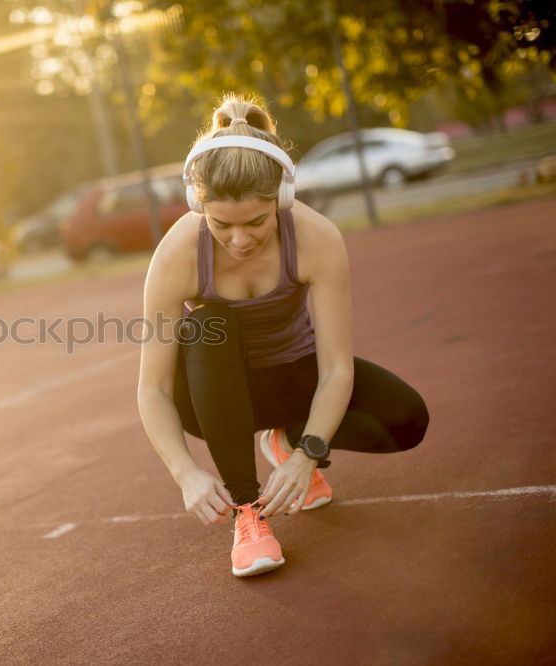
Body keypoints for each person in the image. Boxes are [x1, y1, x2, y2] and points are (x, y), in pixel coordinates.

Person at [136, 93, 430, 578]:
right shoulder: (177, 255)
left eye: (256, 221)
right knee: (213, 322)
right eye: (221, 225)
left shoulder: (316, 237)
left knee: (407, 419)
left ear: (283, 199)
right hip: (213, 397)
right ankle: (248, 513)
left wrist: (307, 453)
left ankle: (287, 437)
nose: (239, 240)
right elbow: (153, 388)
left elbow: (337, 366)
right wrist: (185, 473)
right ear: (198, 206)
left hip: (295, 378)